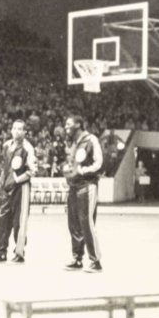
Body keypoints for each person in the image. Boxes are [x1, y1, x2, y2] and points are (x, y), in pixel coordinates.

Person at [0, 120, 36, 263]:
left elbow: (32, 171)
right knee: (1, 220)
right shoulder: (6, 146)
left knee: (19, 222)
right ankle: (1, 252)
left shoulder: (28, 148)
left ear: (25, 132)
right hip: (6, 188)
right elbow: (5, 167)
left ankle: (19, 252)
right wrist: (1, 183)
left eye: (20, 129)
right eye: (14, 128)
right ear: (11, 130)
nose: (16, 131)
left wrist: (16, 180)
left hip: (21, 188)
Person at [64, 115, 104, 273]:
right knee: (73, 223)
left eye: (69, 124)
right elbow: (73, 165)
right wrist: (69, 171)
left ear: (79, 124)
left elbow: (99, 163)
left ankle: (96, 261)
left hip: (87, 185)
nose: (66, 126)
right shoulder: (73, 144)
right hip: (74, 186)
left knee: (86, 222)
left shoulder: (91, 140)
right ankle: (77, 258)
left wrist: (83, 171)